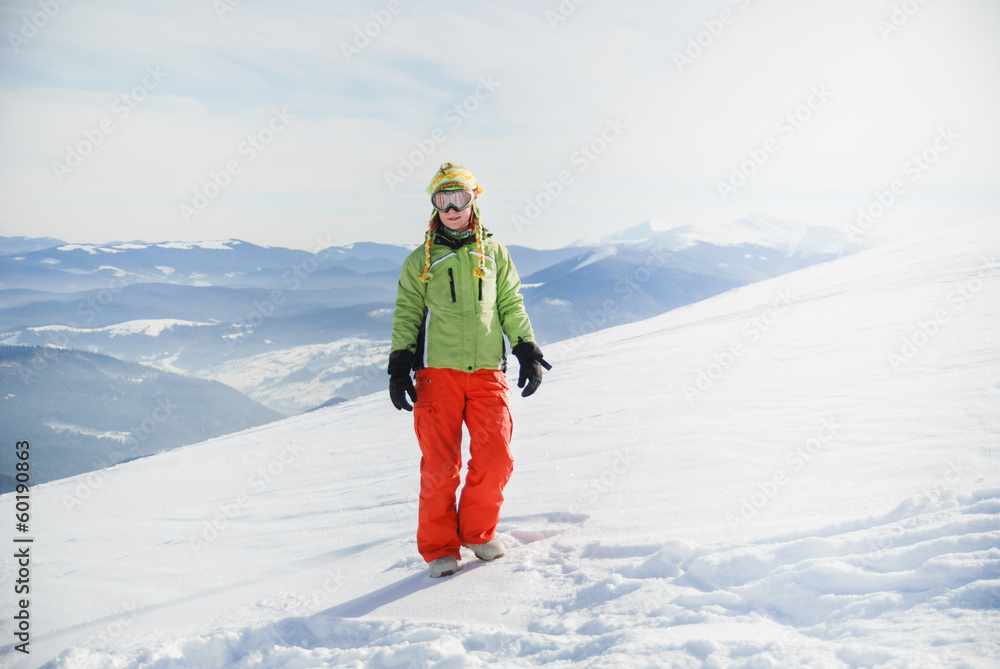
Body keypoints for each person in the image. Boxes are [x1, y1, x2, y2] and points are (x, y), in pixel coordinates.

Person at [388, 162, 550, 578]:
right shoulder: (419, 261)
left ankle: (477, 533)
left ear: (473, 199)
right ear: (434, 206)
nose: (452, 207)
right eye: (442, 200)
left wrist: (526, 349)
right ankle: (441, 548)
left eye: (459, 198)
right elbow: (407, 314)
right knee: (441, 467)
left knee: (496, 459)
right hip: (435, 375)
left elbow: (510, 304)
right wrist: (400, 363)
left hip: (485, 374)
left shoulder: (494, 254)